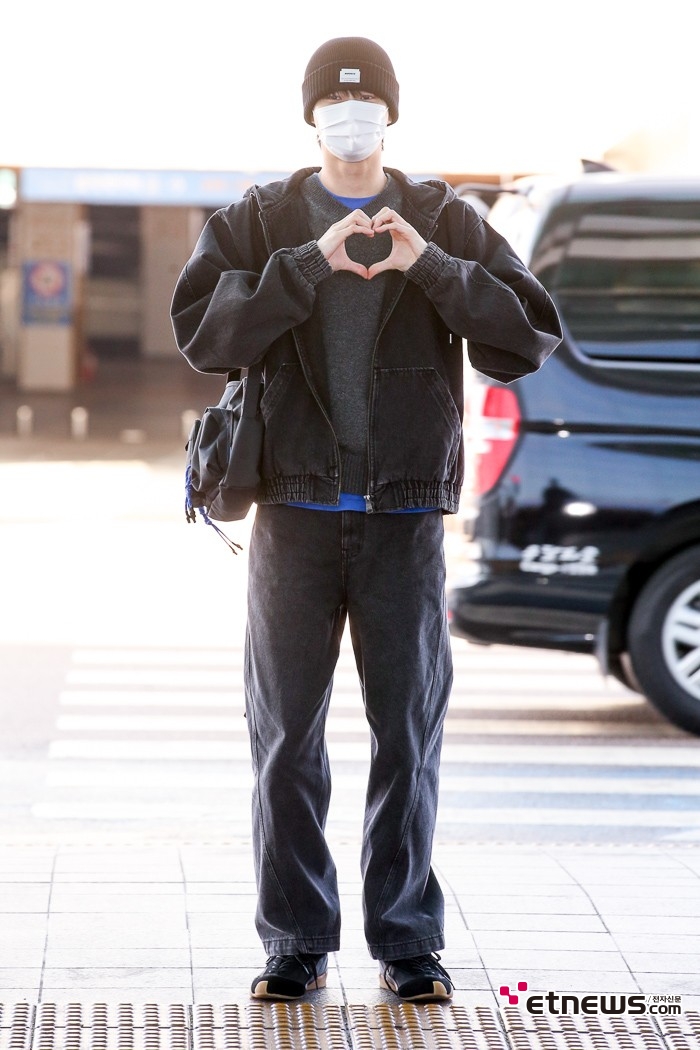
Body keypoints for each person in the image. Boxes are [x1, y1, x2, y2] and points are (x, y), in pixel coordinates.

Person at [171, 36, 562, 1002]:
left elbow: (526, 336)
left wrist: (430, 267)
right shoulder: (262, 221)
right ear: (310, 117)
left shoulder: (440, 217)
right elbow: (203, 334)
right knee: (285, 739)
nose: (350, 118)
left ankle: (406, 941)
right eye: (334, 104)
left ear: (391, 114)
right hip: (293, 517)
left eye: (366, 102)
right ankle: (296, 940)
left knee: (409, 736)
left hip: (404, 519)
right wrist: (306, 266)